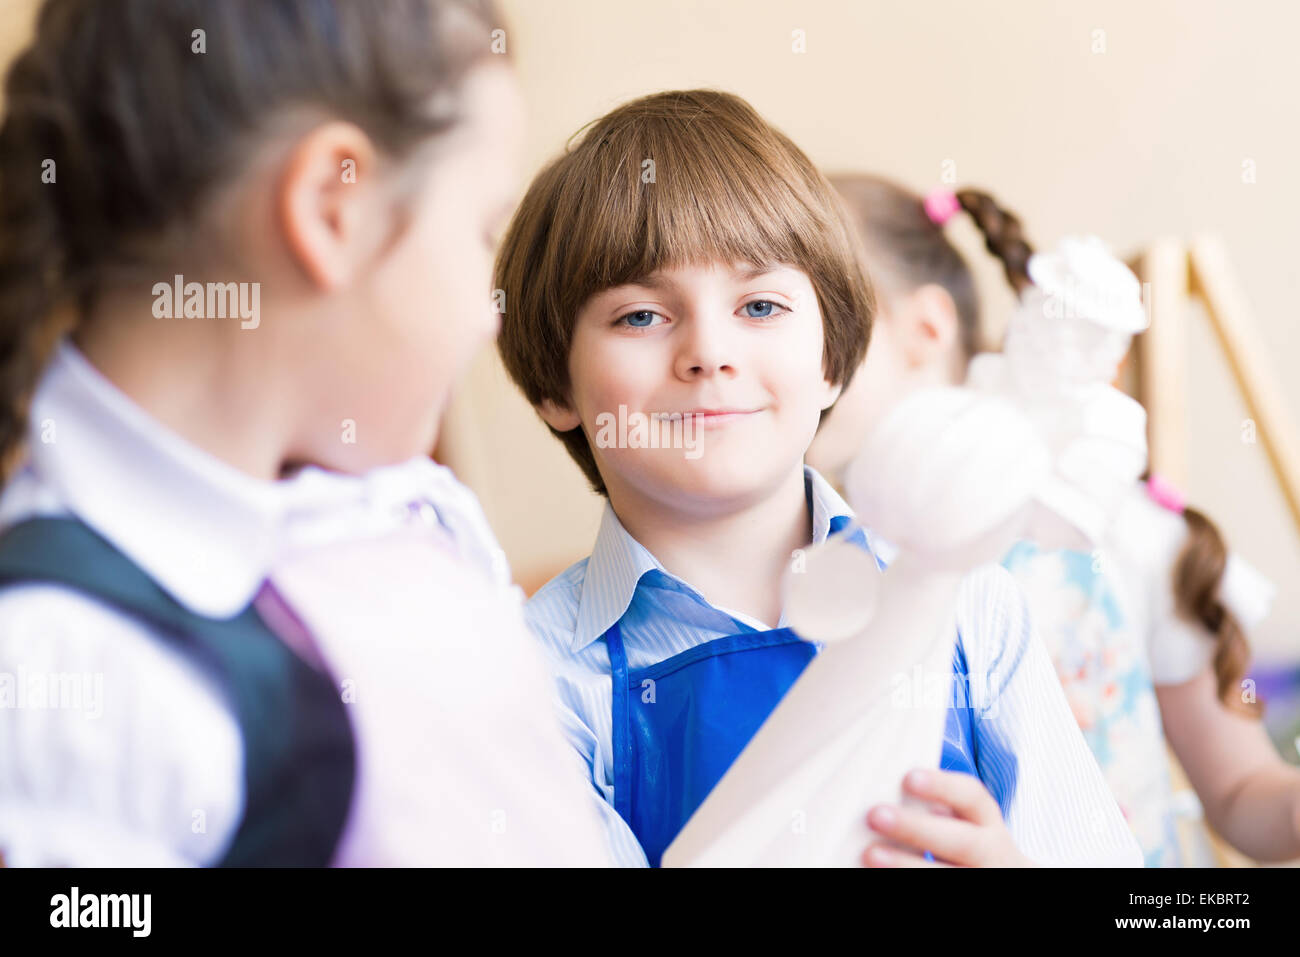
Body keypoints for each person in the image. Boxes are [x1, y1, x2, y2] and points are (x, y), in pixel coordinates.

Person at [0, 0, 610, 866]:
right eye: (484, 233)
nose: (487, 316)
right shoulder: (72, 671)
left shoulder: (408, 505)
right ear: (335, 206)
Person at [493, 89, 1142, 868]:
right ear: (554, 387)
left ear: (833, 362)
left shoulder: (973, 602)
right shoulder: (539, 678)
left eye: (759, 306)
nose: (709, 352)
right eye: (640, 316)